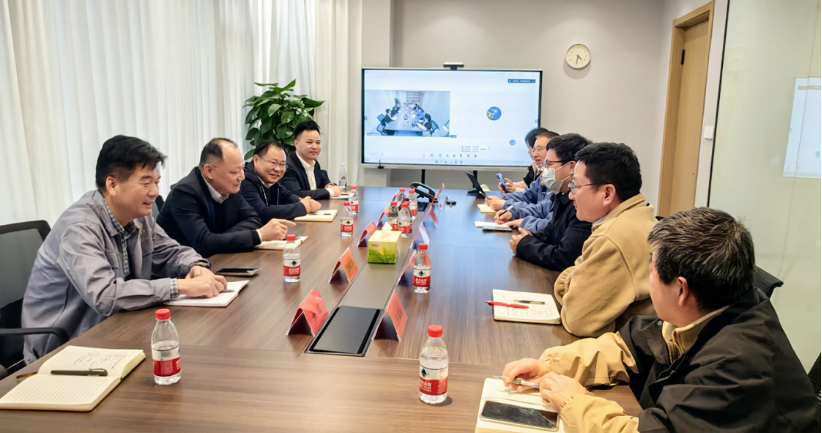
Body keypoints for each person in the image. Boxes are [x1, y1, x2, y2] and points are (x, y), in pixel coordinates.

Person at [502, 208, 821, 432]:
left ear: (681, 289)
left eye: (651, 271)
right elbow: (628, 346)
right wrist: (552, 365)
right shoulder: (712, 309)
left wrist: (573, 402)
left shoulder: (735, 365)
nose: (648, 280)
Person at [22, 135, 227, 362]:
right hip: (64, 349)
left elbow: (171, 251)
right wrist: (180, 286)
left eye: (157, 182)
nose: (155, 192)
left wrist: (196, 265)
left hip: (118, 330)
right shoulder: (80, 228)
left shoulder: (138, 216)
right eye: (146, 182)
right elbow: (105, 295)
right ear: (112, 184)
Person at [550, 142, 657, 337]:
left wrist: (569, 283)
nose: (571, 195)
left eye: (576, 186)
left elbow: (578, 321)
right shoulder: (639, 215)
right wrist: (576, 280)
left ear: (607, 193)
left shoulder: (612, 237)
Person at [157, 138, 294, 257]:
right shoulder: (185, 193)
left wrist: (219, 239)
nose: (242, 177)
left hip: (219, 259)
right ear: (209, 171)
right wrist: (259, 235)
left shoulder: (229, 186)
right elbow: (203, 244)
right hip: (182, 270)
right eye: (235, 171)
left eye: (242, 168)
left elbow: (253, 219)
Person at [507, 134, 593, 271]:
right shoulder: (562, 195)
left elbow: (564, 257)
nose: (543, 169)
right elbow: (551, 231)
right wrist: (530, 238)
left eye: (549, 164)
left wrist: (525, 245)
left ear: (571, 166)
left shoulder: (582, 203)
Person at [241, 140, 321, 222]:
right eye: (273, 162)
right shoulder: (244, 180)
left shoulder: (270, 179)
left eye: (282, 164)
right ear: (256, 159)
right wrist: (302, 207)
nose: (278, 169)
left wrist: (303, 201)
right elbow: (262, 212)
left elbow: (286, 195)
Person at [485, 130, 559, 219]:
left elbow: (541, 211)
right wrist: (502, 198)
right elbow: (528, 195)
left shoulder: (557, 180)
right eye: (533, 150)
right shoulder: (542, 175)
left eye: (539, 149)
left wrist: (506, 205)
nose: (534, 154)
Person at [280, 120, 341, 200]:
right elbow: (297, 194)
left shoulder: (314, 163)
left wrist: (328, 185)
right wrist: (330, 191)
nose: (315, 147)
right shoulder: (288, 167)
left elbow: (323, 182)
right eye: (309, 142)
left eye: (318, 142)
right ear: (296, 144)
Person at [499, 127, 548, 193]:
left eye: (538, 149)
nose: (531, 153)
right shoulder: (534, 167)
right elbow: (525, 184)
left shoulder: (550, 171)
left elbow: (537, 195)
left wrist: (515, 189)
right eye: (533, 150)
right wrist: (510, 186)